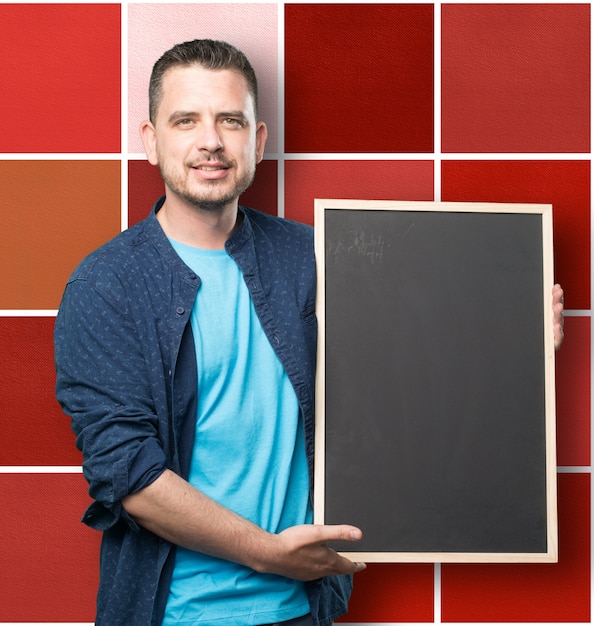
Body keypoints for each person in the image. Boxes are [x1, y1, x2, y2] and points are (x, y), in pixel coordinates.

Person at [54, 39, 565, 626]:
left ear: (259, 139)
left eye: (230, 120)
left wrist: (513, 343)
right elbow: (129, 474)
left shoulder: (315, 256)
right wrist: (268, 554)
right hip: (174, 613)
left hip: (304, 609)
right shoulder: (106, 286)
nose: (211, 141)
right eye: (185, 120)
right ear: (150, 140)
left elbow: (403, 372)